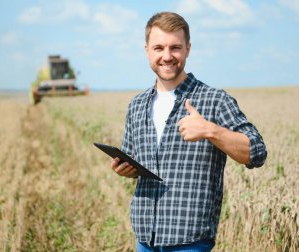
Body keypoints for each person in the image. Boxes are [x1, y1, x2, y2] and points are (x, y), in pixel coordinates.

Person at [110, 12, 267, 251]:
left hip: (190, 240)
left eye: (175, 47)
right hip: (145, 237)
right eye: (158, 48)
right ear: (147, 51)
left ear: (188, 49)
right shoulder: (137, 105)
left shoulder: (215, 100)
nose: (166, 56)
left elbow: (257, 152)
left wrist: (211, 131)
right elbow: (135, 162)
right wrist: (126, 170)